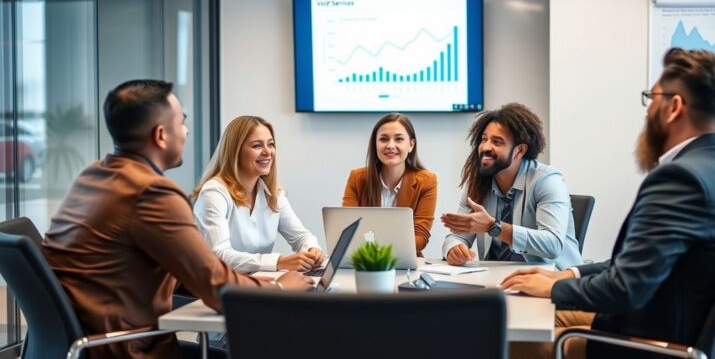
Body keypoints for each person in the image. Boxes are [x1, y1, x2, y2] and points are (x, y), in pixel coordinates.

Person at [501, 48, 715, 359]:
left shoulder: (681, 179)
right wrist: (567, 275)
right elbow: (639, 264)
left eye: (651, 98)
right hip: (695, 337)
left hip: (657, 347)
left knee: (514, 337)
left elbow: (625, 289)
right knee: (539, 310)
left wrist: (552, 289)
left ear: (673, 107)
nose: (647, 110)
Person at [42, 80, 314, 359]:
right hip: (126, 349)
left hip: (84, 344)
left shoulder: (92, 176)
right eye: (182, 122)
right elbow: (215, 284)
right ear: (161, 135)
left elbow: (187, 271)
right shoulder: (152, 193)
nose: (186, 131)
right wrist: (280, 287)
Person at [441, 103, 582, 269]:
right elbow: (458, 236)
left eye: (497, 142)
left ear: (520, 151)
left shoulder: (547, 180)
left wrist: (493, 227)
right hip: (497, 280)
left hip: (553, 281)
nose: (486, 147)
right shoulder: (478, 181)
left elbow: (552, 244)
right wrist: (453, 249)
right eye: (484, 139)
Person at [192, 116, 324, 272]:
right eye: (257, 146)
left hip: (256, 284)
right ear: (235, 151)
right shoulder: (214, 193)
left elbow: (301, 237)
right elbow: (218, 255)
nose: (267, 152)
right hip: (219, 289)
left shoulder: (272, 193)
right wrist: (278, 262)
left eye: (271, 144)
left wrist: (312, 251)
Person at [343, 113, 437, 256]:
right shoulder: (357, 178)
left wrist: (375, 242)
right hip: (364, 260)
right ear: (375, 145)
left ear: (411, 145)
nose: (390, 145)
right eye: (383, 139)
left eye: (399, 139)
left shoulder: (427, 181)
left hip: (404, 261)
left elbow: (420, 238)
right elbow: (348, 230)